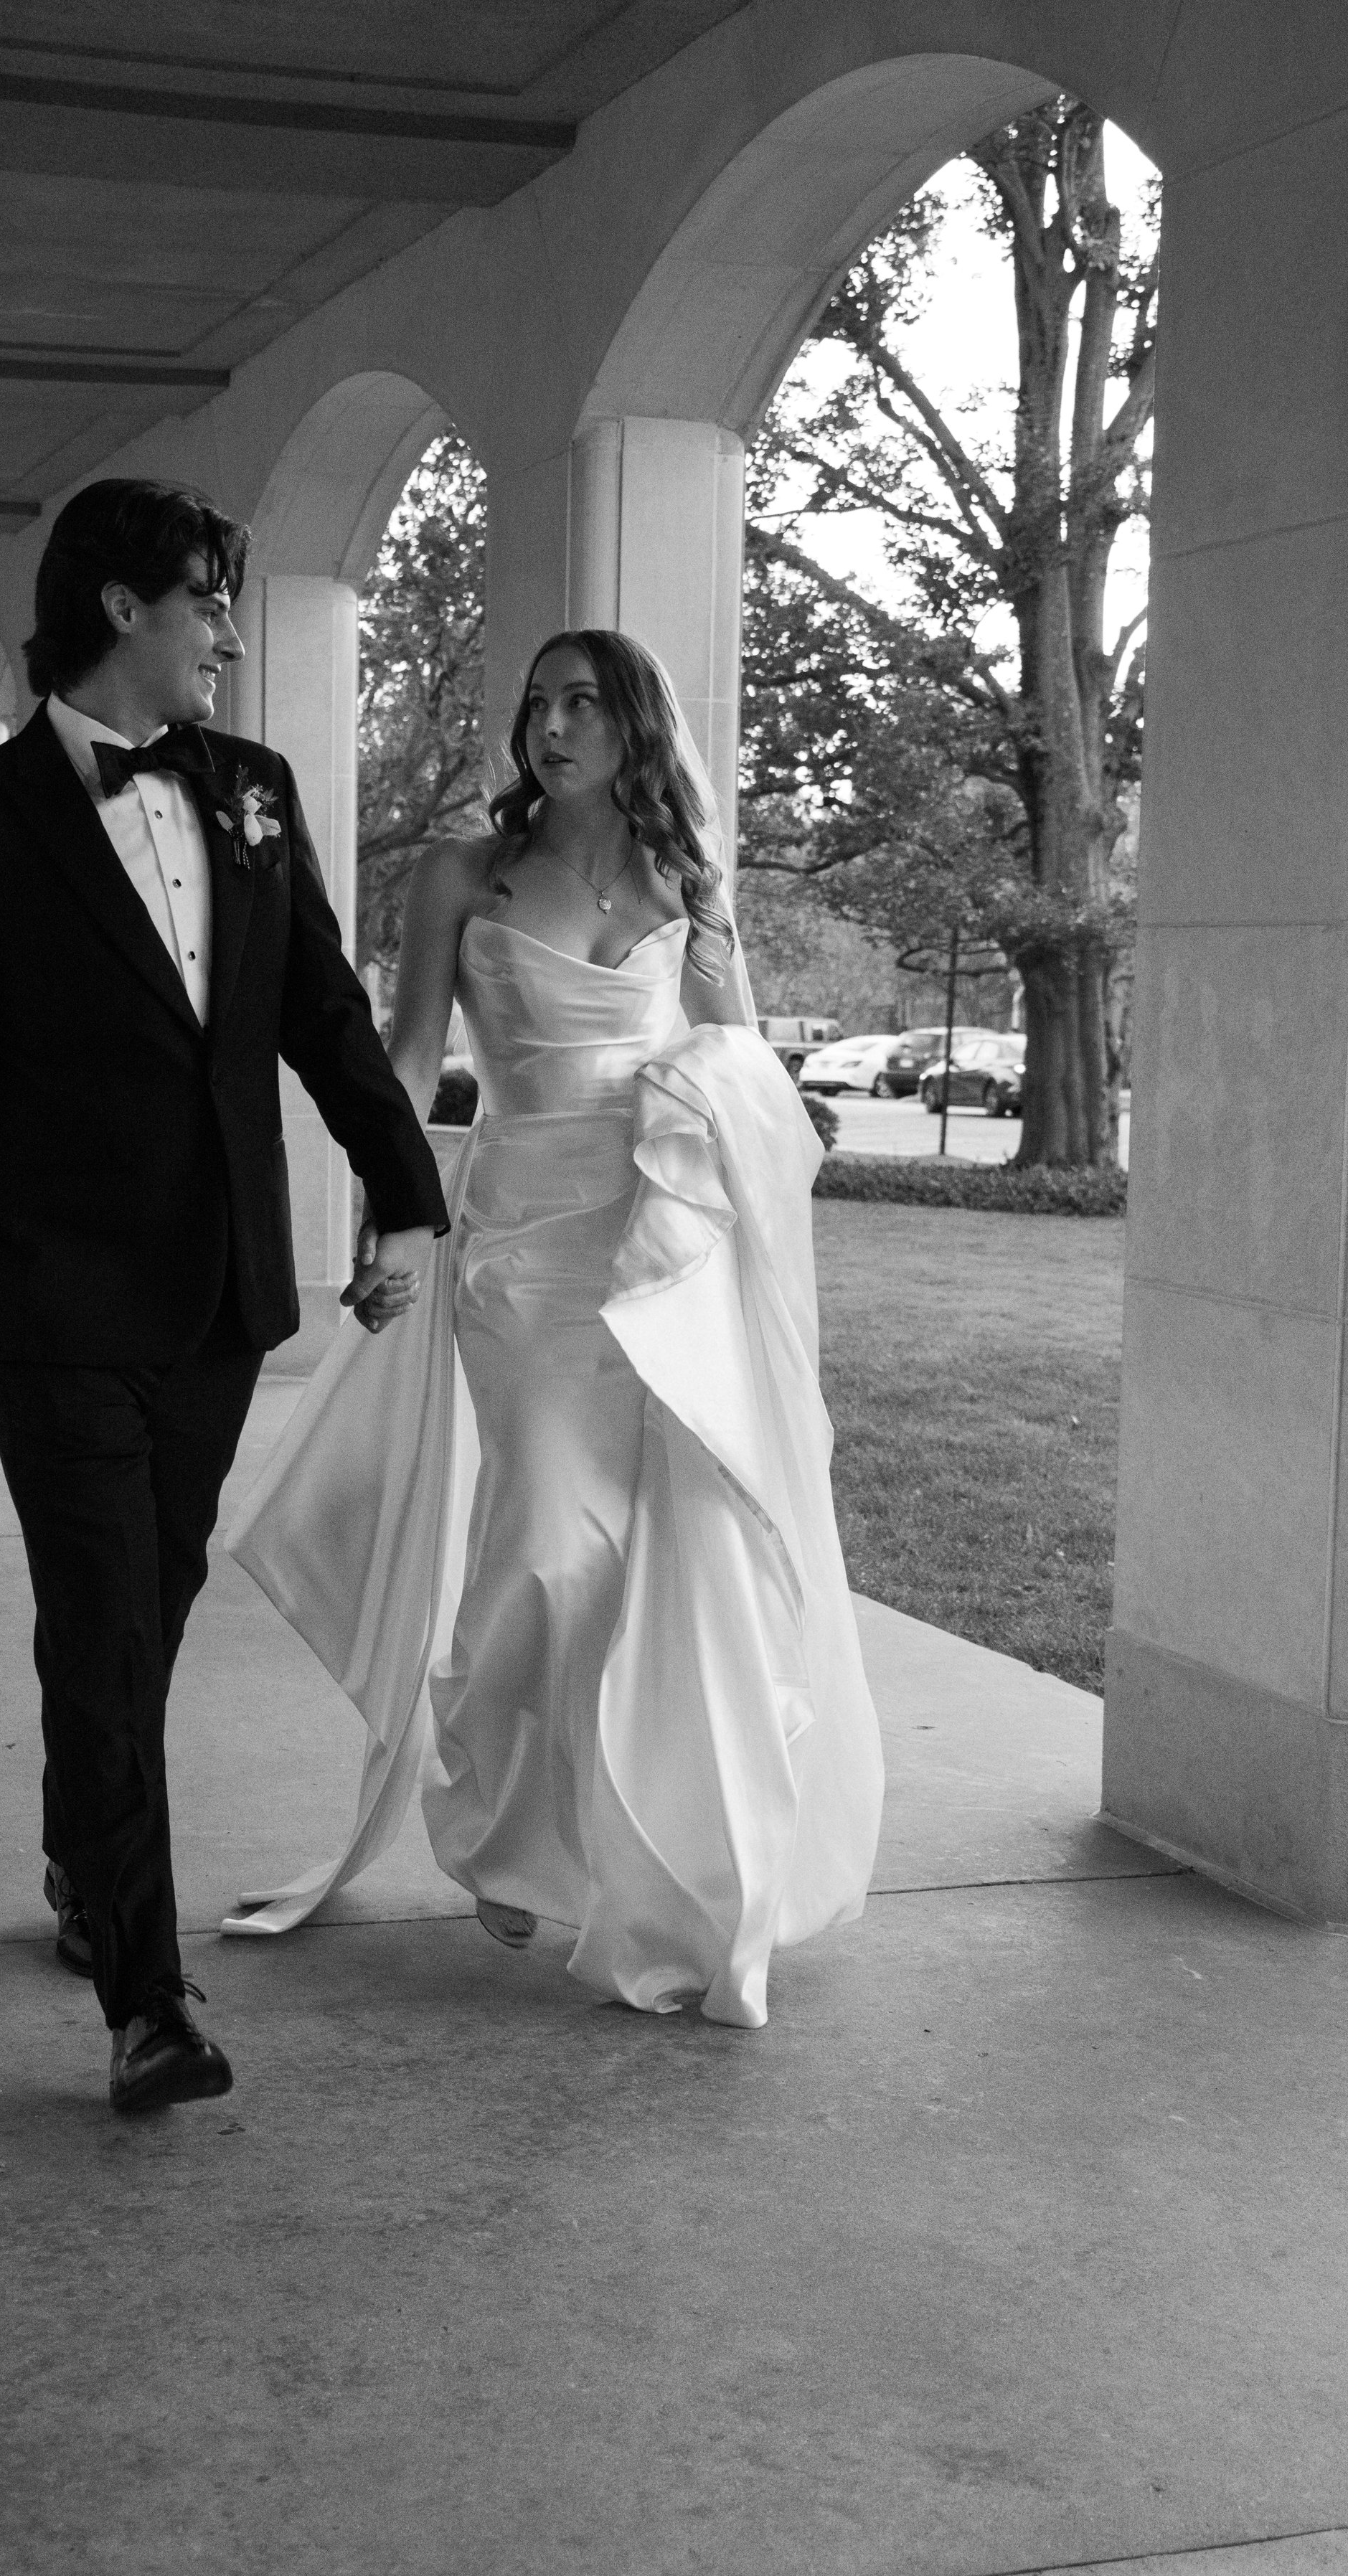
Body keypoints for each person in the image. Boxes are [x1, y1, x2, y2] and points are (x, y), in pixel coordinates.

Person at [0, 478, 447, 2113]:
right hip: (45, 1306)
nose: (232, 635)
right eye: (210, 601)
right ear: (123, 606)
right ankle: (145, 1998)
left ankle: (80, 1853)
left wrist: (408, 1200)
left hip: (213, 1305)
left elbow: (325, 1016)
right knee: (113, 1627)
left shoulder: (253, 793)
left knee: (140, 1615)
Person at [224, 631, 884, 2027]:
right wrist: (387, 1217)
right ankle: (494, 1811)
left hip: (650, 1258)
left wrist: (736, 1105)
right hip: (517, 1255)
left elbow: (742, 1067)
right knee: (543, 1547)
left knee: (661, 1564)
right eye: (536, 702)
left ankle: (631, 1854)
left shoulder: (684, 884)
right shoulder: (461, 873)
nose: (551, 723)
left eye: (582, 701)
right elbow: (400, 1063)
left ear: (636, 726)